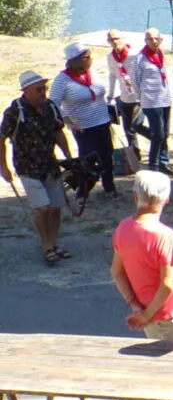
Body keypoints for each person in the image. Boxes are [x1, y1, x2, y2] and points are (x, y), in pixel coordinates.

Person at [109, 170, 173, 400]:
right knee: (171, 362)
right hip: (170, 309)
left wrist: (136, 306)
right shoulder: (164, 235)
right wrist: (148, 313)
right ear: (166, 199)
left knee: (165, 358)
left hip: (148, 307)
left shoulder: (124, 228)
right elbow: (168, 283)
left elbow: (116, 271)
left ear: (136, 196)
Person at [1, 70, 73, 264]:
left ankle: (54, 242)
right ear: (26, 91)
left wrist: (68, 157)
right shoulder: (15, 111)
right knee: (42, 209)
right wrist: (4, 167)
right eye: (39, 89)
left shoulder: (50, 107)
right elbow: (2, 139)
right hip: (27, 167)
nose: (43, 93)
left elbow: (59, 132)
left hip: (50, 164)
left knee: (56, 208)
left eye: (45, 89)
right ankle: (46, 245)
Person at [50, 42, 116, 197]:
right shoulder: (62, 80)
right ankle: (83, 191)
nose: (90, 60)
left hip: (102, 122)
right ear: (75, 60)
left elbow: (99, 93)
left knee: (107, 156)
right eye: (87, 57)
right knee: (87, 161)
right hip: (83, 127)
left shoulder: (92, 73)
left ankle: (110, 187)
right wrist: (69, 122)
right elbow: (53, 105)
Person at [132, 28, 173, 173]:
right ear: (145, 40)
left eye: (157, 38)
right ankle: (154, 164)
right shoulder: (140, 58)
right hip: (151, 101)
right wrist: (142, 97)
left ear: (161, 39)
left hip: (164, 99)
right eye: (150, 39)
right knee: (158, 134)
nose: (154, 41)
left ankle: (164, 162)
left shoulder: (161, 54)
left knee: (165, 133)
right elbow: (135, 81)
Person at [105, 29, 148, 154]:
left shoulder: (134, 55)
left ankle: (158, 140)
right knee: (127, 128)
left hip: (138, 96)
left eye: (116, 38)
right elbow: (112, 75)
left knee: (135, 126)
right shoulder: (110, 57)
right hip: (124, 96)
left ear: (123, 39)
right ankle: (134, 153)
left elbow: (143, 74)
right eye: (111, 40)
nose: (114, 42)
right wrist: (111, 93)